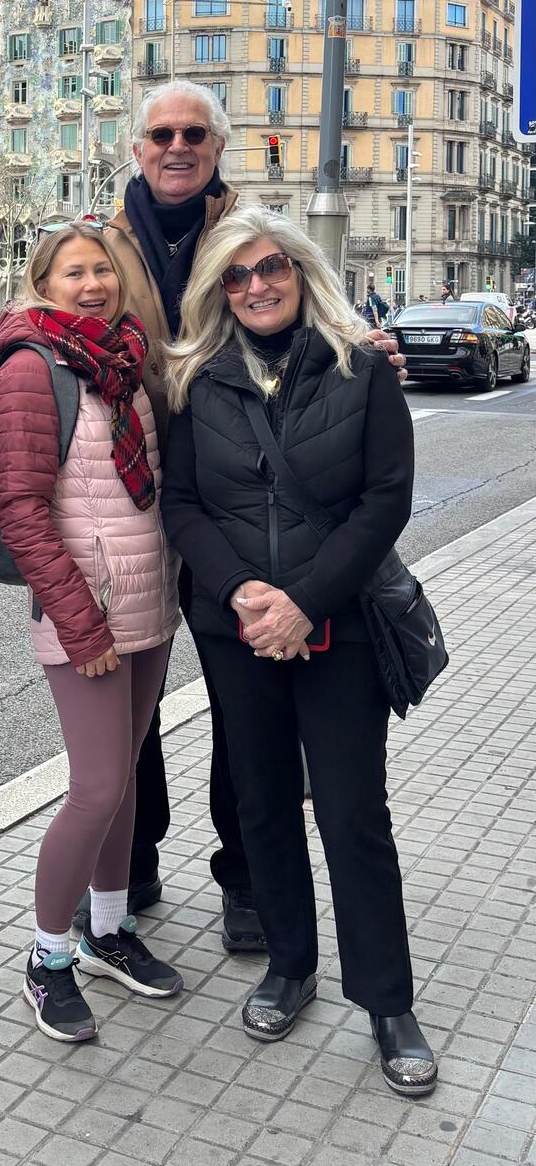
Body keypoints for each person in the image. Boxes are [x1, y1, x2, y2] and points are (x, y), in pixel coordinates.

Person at [91, 80, 403, 955]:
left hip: (239, 478)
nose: (177, 146)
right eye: (161, 134)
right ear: (137, 146)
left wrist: (354, 342)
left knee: (245, 711)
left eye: (194, 132)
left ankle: (246, 878)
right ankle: (133, 859)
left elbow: (310, 309)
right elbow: (52, 315)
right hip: (135, 496)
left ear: (217, 145)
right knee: (129, 701)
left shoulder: (253, 234)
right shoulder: (104, 244)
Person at [162, 208, 437, 1096]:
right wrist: (245, 594)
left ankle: (386, 1002)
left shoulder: (361, 368)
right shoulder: (195, 378)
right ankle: (288, 963)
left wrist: (304, 600)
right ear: (216, 291)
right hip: (235, 626)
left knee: (354, 813)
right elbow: (182, 505)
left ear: (301, 269)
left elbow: (385, 499)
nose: (255, 286)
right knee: (262, 801)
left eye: (270, 266)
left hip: (339, 625)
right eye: (234, 277)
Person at [0, 222, 183, 1043]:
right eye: (73, 272)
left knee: (128, 778)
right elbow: (22, 512)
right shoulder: (32, 369)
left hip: (148, 601)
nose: (93, 283)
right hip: (88, 614)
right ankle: (47, 956)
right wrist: (78, 622)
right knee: (96, 787)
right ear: (43, 283)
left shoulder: (129, 364)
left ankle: (107, 930)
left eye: (103, 269)